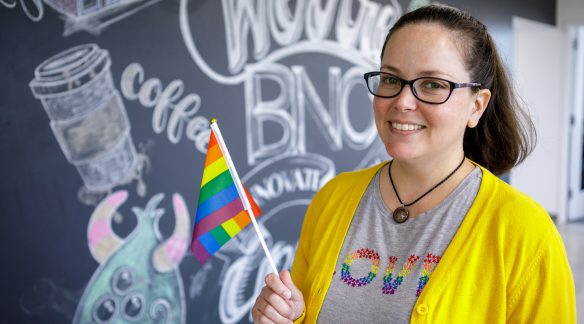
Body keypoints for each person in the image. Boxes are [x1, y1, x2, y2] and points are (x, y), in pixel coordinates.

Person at [251, 4, 577, 323]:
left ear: (476, 106)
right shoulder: (333, 198)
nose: (403, 102)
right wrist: (285, 317)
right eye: (391, 80)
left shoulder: (526, 232)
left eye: (433, 84)